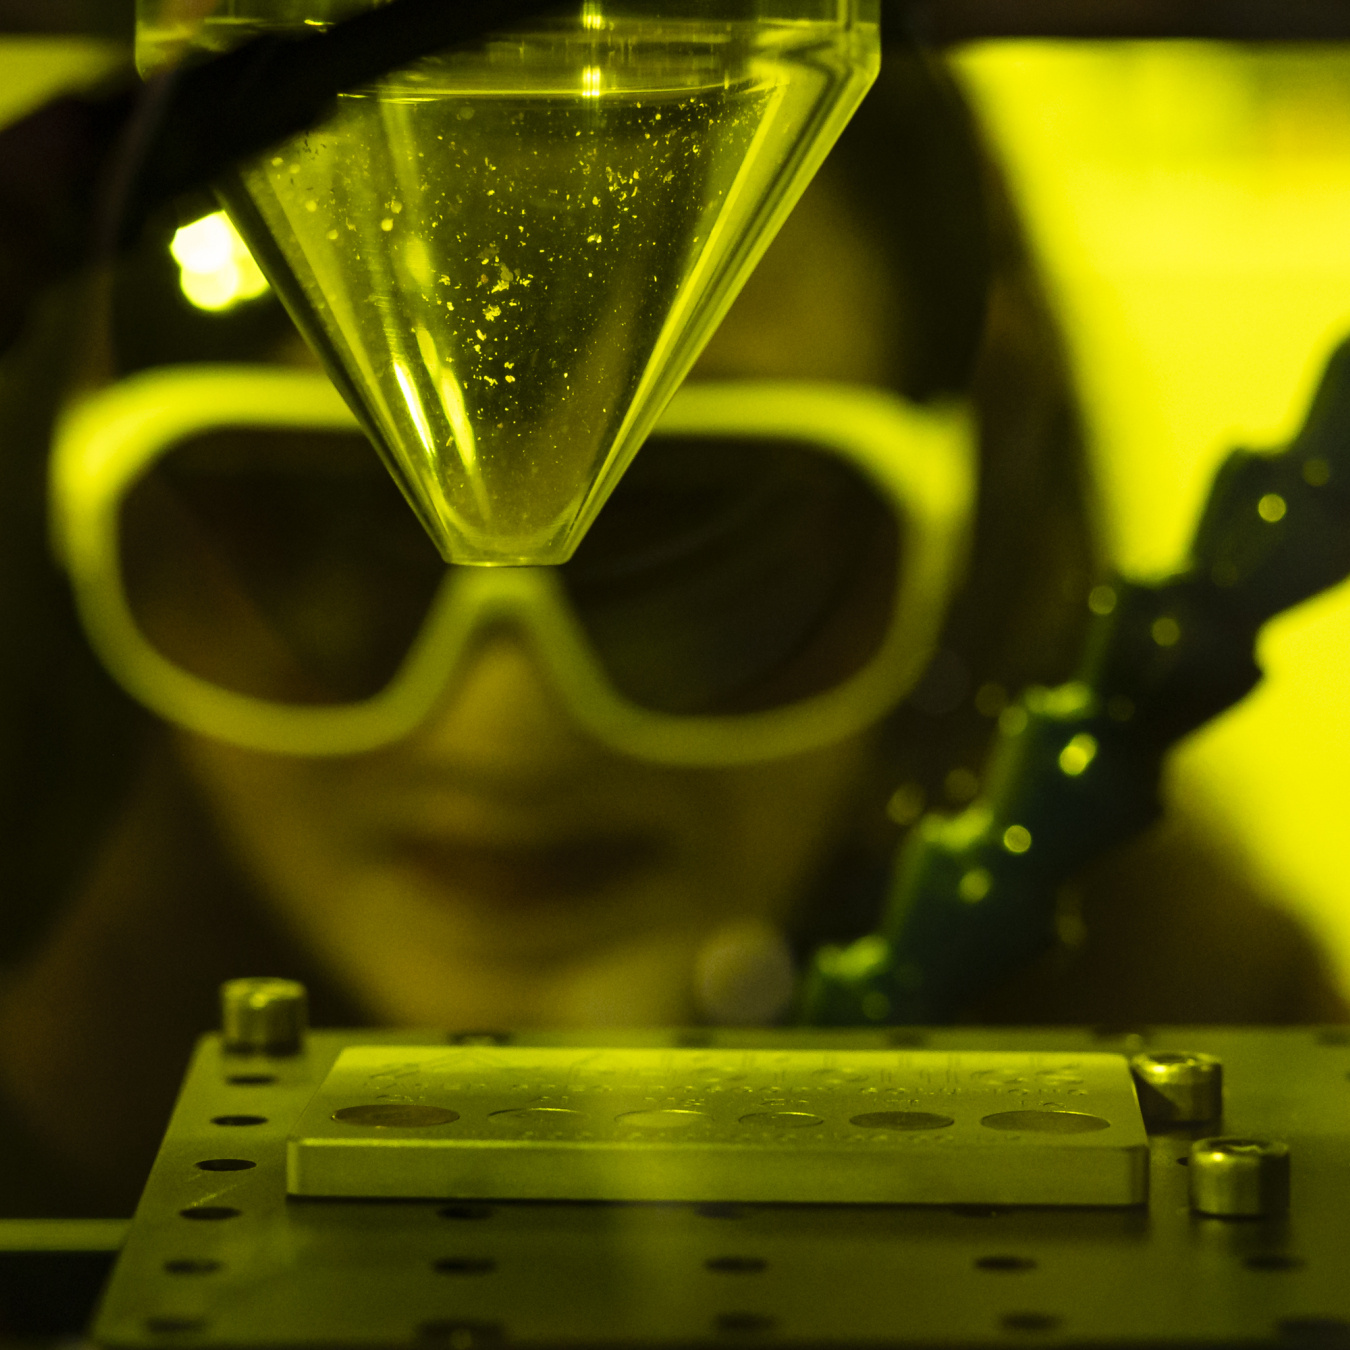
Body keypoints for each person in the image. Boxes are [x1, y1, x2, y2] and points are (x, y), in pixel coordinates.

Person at [0, 46, 1342, 1220]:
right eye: (316, 539)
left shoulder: (1236, 1059)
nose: (502, 732)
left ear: (972, 546)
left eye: (701, 538)